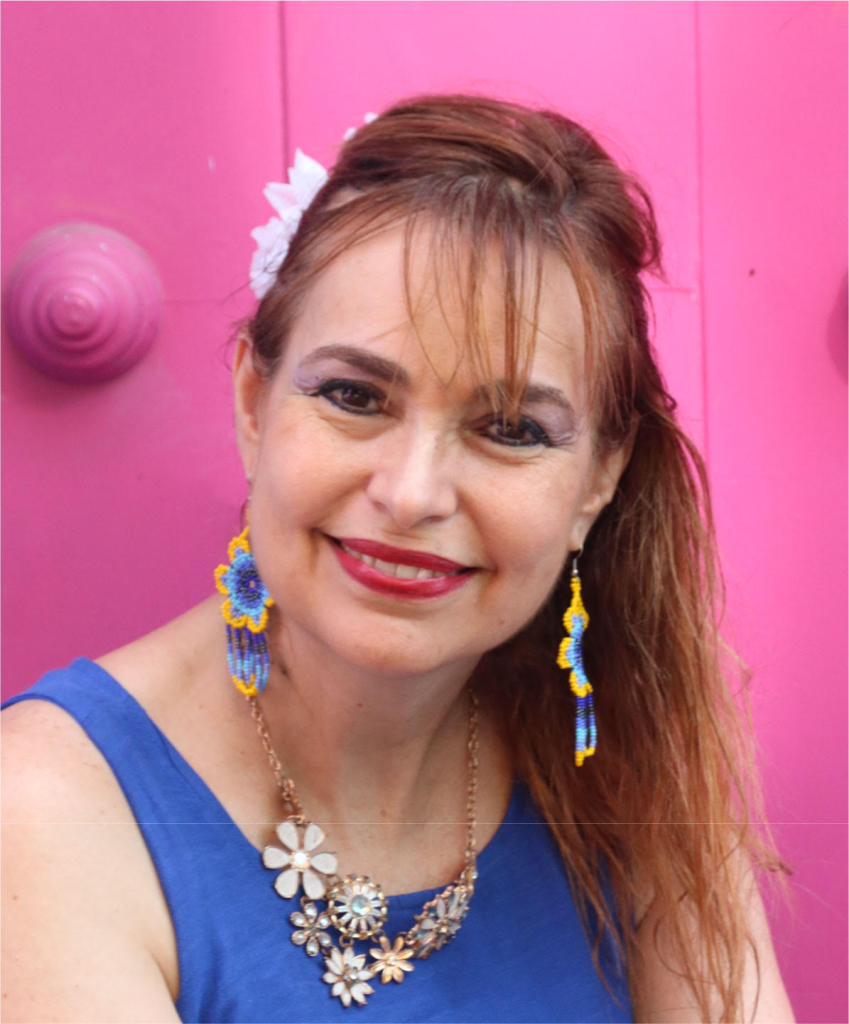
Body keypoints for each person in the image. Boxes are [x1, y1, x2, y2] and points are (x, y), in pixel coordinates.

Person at [1, 93, 796, 1024]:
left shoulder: (630, 758)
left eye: (509, 428)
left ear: (598, 479)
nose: (412, 492)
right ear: (254, 407)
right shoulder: (45, 816)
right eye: (353, 395)